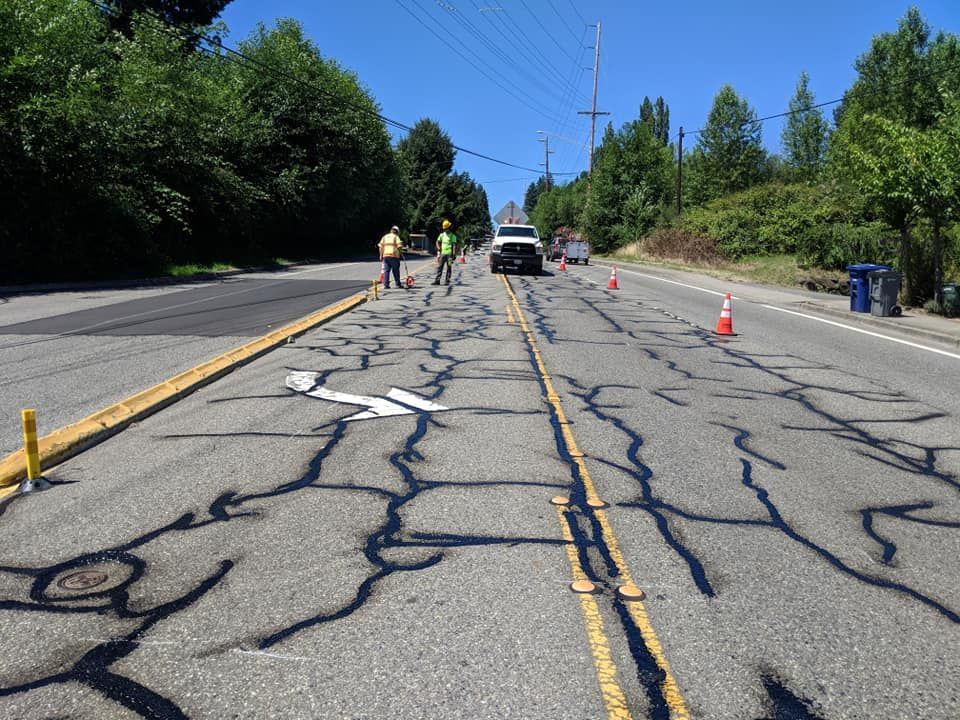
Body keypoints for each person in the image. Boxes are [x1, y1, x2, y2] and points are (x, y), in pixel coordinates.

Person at [378, 225, 404, 289]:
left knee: (386, 271)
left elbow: (380, 247)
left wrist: (381, 255)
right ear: (397, 232)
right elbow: (399, 246)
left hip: (385, 256)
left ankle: (386, 285)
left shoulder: (385, 237)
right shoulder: (396, 237)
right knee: (396, 270)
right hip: (394, 256)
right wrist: (401, 253)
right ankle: (398, 284)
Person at [433, 219, 458, 286]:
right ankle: (437, 280)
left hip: (449, 255)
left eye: (446, 228)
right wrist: (438, 248)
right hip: (442, 254)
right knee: (440, 267)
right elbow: (437, 242)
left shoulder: (453, 236)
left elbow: (454, 246)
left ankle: (447, 280)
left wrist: (454, 254)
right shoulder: (442, 235)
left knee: (449, 267)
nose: (445, 229)